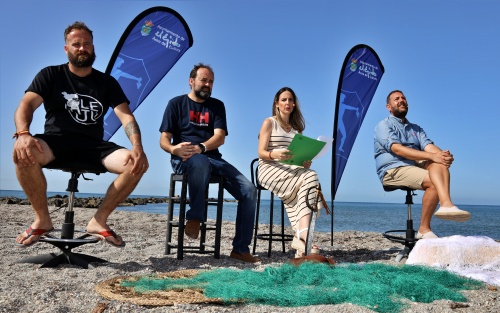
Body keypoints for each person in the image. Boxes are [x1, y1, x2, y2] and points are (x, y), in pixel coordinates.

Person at [13, 22, 148, 248]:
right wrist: (23, 133)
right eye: (76, 44)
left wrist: (137, 147)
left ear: (93, 48)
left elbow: (126, 117)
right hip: (56, 142)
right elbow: (26, 105)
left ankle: (98, 220)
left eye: (87, 44)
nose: (82, 48)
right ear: (67, 49)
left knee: (135, 164)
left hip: (93, 146)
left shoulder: (106, 82)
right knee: (23, 152)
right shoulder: (51, 74)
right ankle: (42, 220)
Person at [159, 63, 259, 263]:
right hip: (184, 159)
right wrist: (173, 149)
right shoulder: (176, 103)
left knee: (249, 190)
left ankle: (240, 249)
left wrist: (202, 147)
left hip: (212, 157)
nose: (207, 84)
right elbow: (164, 139)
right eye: (204, 80)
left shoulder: (217, 105)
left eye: (211, 81)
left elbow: (220, 137)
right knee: (200, 162)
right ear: (191, 81)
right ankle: (195, 216)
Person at [374, 90, 470, 239]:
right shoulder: (383, 125)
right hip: (393, 169)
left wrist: (442, 156)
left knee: (438, 164)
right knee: (435, 181)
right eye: (396, 99)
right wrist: (433, 156)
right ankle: (424, 229)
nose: (401, 100)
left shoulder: (416, 129)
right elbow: (397, 149)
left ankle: (446, 204)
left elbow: (429, 147)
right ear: (389, 106)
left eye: (404, 98)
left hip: (413, 167)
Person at [257, 87, 326, 258]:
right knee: (311, 179)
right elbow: (261, 152)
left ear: (294, 104)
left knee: (311, 176)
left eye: (290, 100)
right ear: (277, 103)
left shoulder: (297, 129)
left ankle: (301, 240)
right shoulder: (269, 122)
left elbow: (297, 156)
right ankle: (303, 238)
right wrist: (275, 154)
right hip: (269, 168)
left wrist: (305, 161)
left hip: (291, 170)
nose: (287, 103)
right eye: (284, 100)